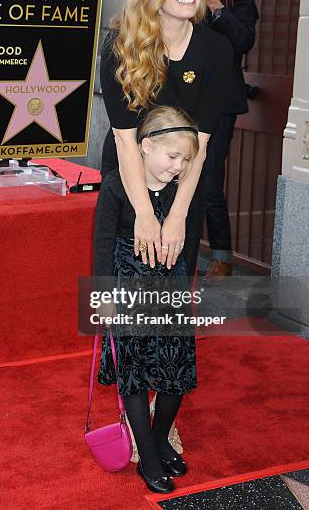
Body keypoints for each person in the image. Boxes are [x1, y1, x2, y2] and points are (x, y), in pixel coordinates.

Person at [100, 0, 233, 281]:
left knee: (170, 297)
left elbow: (200, 145)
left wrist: (177, 218)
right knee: (126, 290)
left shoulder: (216, 51)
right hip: (128, 179)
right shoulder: (120, 46)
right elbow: (125, 140)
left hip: (183, 182)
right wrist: (144, 212)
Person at [94, 105, 199, 493]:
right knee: (134, 376)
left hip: (169, 288)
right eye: (173, 157)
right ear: (145, 146)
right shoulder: (116, 185)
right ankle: (149, 458)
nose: (178, 167)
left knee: (177, 372)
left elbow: (185, 246)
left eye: (185, 160)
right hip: (128, 290)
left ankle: (158, 437)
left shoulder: (180, 192)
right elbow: (102, 245)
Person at [193, 0, 259, 280]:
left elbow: (243, 41)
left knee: (209, 181)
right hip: (184, 99)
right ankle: (181, 252)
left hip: (220, 104)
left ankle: (221, 256)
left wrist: (214, 3)